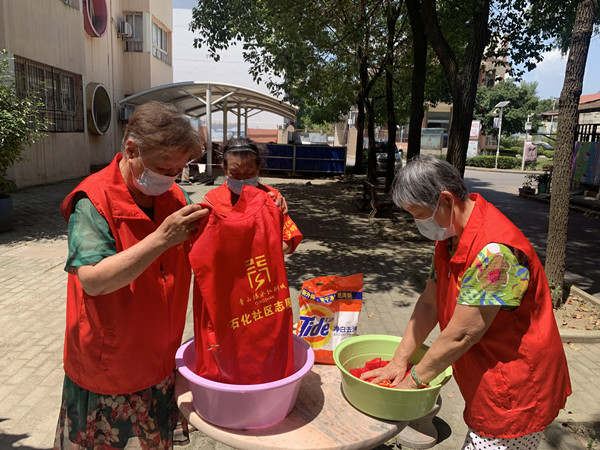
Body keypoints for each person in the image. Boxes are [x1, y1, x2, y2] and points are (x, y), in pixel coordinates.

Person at [362, 156, 571, 449]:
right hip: (487, 376)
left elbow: (462, 334)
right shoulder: (451, 235)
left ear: (445, 200)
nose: (416, 222)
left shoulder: (495, 252)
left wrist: (411, 384)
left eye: (418, 213)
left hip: (516, 385)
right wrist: (398, 361)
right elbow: (429, 304)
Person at [54, 101, 209, 449]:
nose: (169, 178)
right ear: (131, 149)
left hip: (159, 359)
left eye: (177, 170)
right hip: (110, 364)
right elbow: (93, 279)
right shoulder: (92, 201)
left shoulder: (173, 195)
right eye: (162, 167)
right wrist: (161, 239)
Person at [203, 137, 302, 254]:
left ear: (258, 168)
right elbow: (205, 245)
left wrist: (274, 215)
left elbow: (288, 242)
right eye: (234, 173)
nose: (242, 179)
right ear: (225, 169)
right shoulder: (212, 200)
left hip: (262, 269)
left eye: (249, 174)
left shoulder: (272, 197)